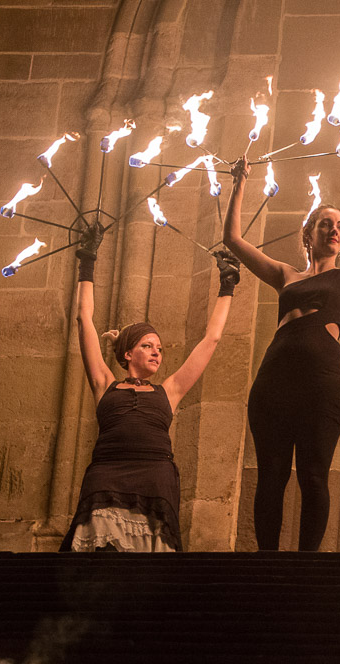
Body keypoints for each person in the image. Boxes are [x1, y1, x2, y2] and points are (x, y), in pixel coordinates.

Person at [224, 144, 340, 551]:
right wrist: (239, 184)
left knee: (313, 474)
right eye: (326, 224)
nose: (334, 230)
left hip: (321, 384)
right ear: (308, 234)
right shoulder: (285, 275)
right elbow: (233, 240)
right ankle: (266, 561)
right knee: (271, 475)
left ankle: (306, 564)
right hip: (274, 383)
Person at [61, 223, 239, 552]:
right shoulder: (104, 384)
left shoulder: (169, 391)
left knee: (148, 567)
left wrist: (227, 285)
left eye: (159, 347)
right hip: (107, 476)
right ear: (128, 354)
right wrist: (87, 260)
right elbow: (84, 319)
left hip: (155, 480)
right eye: (147, 345)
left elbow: (211, 339)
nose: (157, 352)